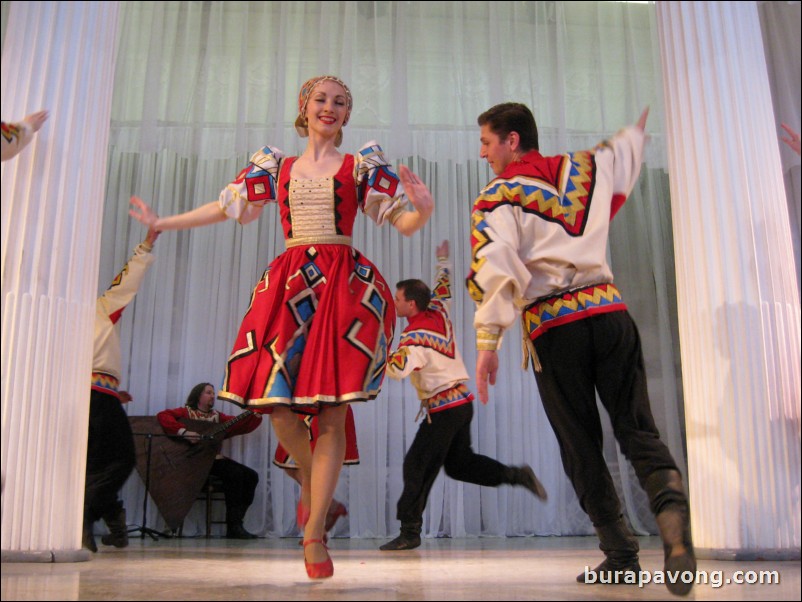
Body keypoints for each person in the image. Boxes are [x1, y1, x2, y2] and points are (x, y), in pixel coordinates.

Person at [129, 75, 434, 578]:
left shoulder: (360, 166)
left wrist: (422, 211)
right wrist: (164, 222)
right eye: (321, 100)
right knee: (273, 401)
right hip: (292, 284)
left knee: (333, 410)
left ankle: (313, 533)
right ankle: (318, 494)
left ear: (346, 114)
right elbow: (227, 208)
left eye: (340, 102)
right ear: (304, 106)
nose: (330, 108)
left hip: (342, 287)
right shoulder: (277, 165)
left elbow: (402, 221)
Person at [467, 103, 695, 596]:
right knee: (637, 426)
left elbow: (496, 265)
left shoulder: (497, 196)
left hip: (555, 324)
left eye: (486, 142)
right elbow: (621, 157)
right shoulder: (584, 168)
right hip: (610, 313)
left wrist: (489, 340)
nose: (483, 153)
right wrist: (634, 135)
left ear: (511, 140)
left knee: (580, 441)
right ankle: (669, 503)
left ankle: (619, 553)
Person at [380, 240, 547, 551]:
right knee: (458, 465)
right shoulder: (439, 311)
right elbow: (443, 288)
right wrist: (443, 260)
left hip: (444, 409)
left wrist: (371, 351)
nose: (395, 303)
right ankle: (515, 475)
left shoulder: (414, 336)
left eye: (398, 299)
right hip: (460, 405)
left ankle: (409, 532)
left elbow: (398, 368)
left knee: (416, 466)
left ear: (411, 306)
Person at [84, 228, 159, 552]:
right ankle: (85, 518)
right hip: (94, 397)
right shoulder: (99, 309)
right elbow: (126, 282)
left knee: (96, 462)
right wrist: (147, 244)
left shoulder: (86, 313)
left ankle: (108, 522)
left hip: (97, 394)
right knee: (119, 459)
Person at [157, 382, 263, 539]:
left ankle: (236, 522)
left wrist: (255, 414)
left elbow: (240, 424)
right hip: (195, 463)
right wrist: (183, 431)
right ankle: (233, 527)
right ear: (198, 395)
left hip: (214, 460)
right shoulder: (186, 413)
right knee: (235, 474)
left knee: (251, 476)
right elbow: (163, 416)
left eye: (213, 393)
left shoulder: (218, 417)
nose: (212, 396)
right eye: (208, 392)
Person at [273, 408, 356, 540]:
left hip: (317, 406)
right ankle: (328, 510)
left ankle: (315, 531)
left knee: (311, 463)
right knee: (290, 463)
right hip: (299, 406)